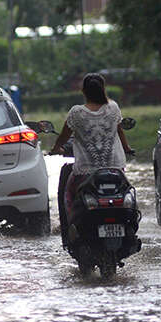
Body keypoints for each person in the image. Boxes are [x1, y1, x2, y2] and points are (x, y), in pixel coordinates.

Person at [51, 73, 133, 224]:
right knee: (127, 191)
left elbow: (63, 136)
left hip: (86, 170)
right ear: (103, 89)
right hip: (115, 168)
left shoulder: (76, 112)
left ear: (83, 91)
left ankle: (70, 226)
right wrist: (127, 148)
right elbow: (119, 130)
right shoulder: (113, 108)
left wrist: (56, 148)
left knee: (68, 193)